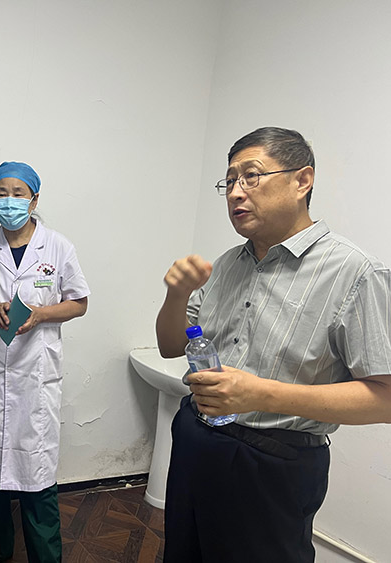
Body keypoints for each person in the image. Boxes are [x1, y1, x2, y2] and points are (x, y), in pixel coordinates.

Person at [155, 127, 391, 563]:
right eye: (229, 181)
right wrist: (176, 295)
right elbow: (171, 346)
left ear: (302, 181)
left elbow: (385, 399)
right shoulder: (227, 264)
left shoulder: (355, 272)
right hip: (196, 440)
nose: (235, 192)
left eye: (251, 176)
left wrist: (262, 394)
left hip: (273, 463)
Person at [0, 161, 90, 563]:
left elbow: (79, 302)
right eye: (1, 193)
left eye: (18, 194)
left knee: (36, 474)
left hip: (34, 377)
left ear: (34, 199)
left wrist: (41, 315)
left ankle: (46, 558)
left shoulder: (57, 247)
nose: (9, 202)